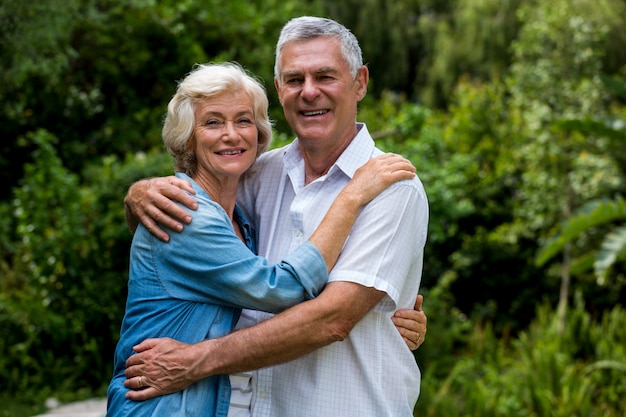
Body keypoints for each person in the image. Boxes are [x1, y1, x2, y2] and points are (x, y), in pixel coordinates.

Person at [123, 16, 429, 417]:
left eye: (325, 76)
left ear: (360, 82)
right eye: (294, 79)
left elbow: (332, 320)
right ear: (279, 88)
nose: (309, 92)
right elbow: (193, 244)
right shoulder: (254, 175)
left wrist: (196, 360)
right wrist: (136, 196)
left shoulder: (392, 186)